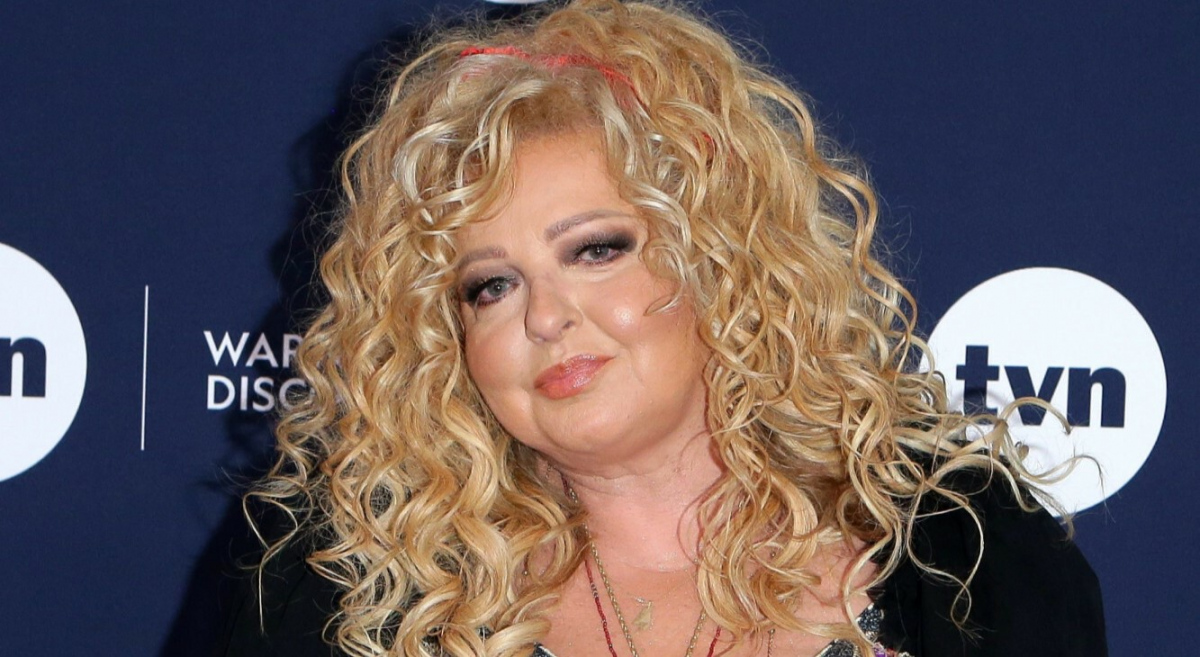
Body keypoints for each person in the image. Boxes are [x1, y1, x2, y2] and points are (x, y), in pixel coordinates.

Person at [217, 1, 1106, 656]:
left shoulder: (972, 556)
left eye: (596, 250)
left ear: (718, 255)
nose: (546, 315)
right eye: (490, 285)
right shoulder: (345, 587)